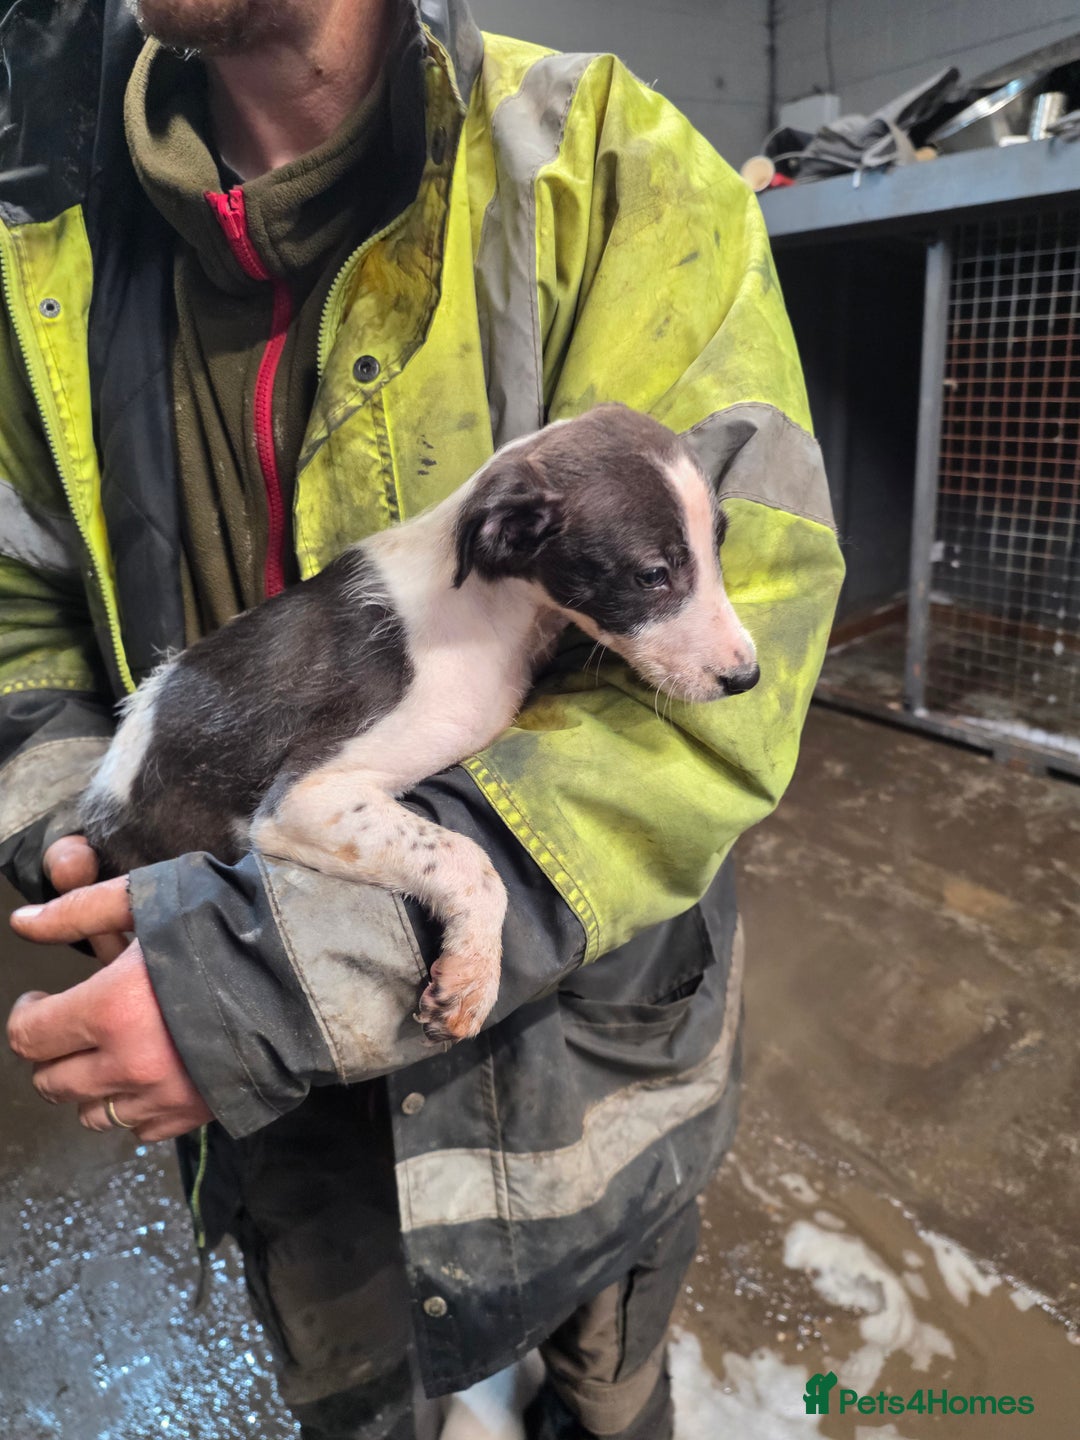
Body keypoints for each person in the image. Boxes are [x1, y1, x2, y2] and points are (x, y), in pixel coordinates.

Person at [0, 0, 843, 1435]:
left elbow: (728, 688)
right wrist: (79, 840)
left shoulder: (600, 159)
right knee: (367, 1402)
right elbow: (20, 616)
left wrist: (265, 972)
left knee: (614, 1392)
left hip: (593, 1073)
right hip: (289, 1143)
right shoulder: (43, 247)